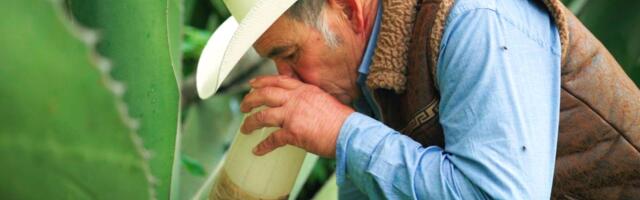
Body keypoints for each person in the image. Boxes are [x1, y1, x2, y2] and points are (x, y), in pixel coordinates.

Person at [197, 0, 640, 199]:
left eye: (290, 55)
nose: (287, 80)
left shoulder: (476, 18)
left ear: (349, 10)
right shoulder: (368, 73)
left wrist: (342, 131)